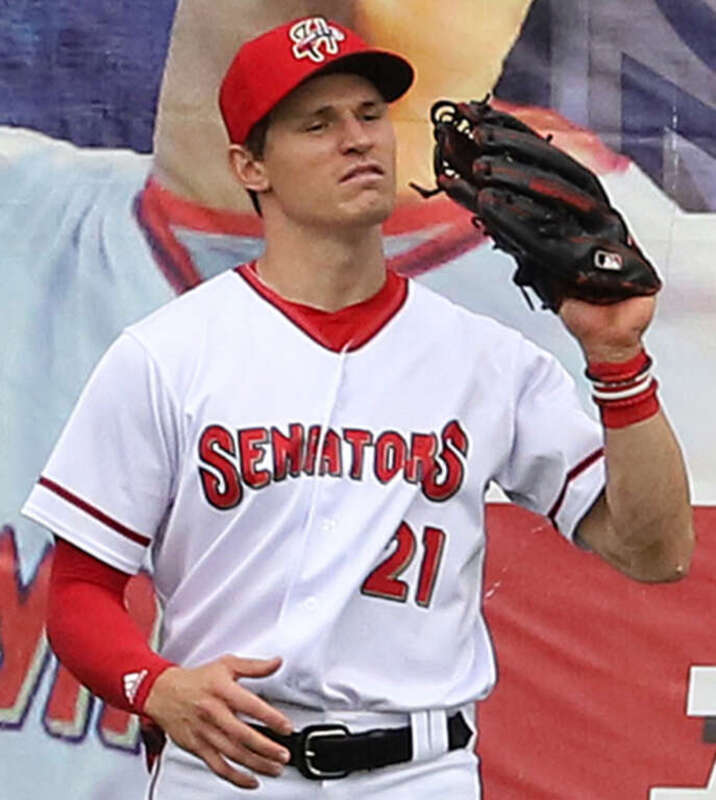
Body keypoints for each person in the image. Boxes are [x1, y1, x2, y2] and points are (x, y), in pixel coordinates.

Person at [21, 15, 693, 799]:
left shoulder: (487, 358)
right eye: (318, 122)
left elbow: (654, 552)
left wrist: (618, 364)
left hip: (420, 772)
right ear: (252, 165)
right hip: (229, 772)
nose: (357, 138)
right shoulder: (166, 353)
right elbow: (78, 592)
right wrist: (154, 688)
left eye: (370, 115)